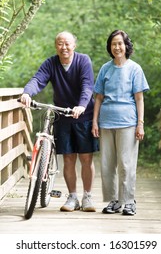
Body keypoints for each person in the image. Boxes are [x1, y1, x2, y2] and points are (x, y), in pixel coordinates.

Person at [20, 31, 99, 212]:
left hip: (83, 115)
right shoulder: (51, 63)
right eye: (60, 44)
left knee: (86, 158)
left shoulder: (83, 60)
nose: (64, 47)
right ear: (56, 46)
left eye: (67, 44)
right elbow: (38, 79)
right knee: (68, 158)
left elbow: (88, 86)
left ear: (74, 45)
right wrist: (27, 93)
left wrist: (81, 106)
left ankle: (87, 197)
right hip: (62, 116)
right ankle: (72, 197)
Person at [92, 29, 149, 215]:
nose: (117, 47)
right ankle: (113, 201)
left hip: (128, 122)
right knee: (107, 164)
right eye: (113, 44)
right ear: (110, 47)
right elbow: (98, 98)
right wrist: (95, 122)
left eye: (120, 43)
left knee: (126, 163)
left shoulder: (135, 68)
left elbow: (139, 99)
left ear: (126, 46)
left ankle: (129, 201)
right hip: (106, 122)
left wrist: (140, 123)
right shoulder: (105, 69)